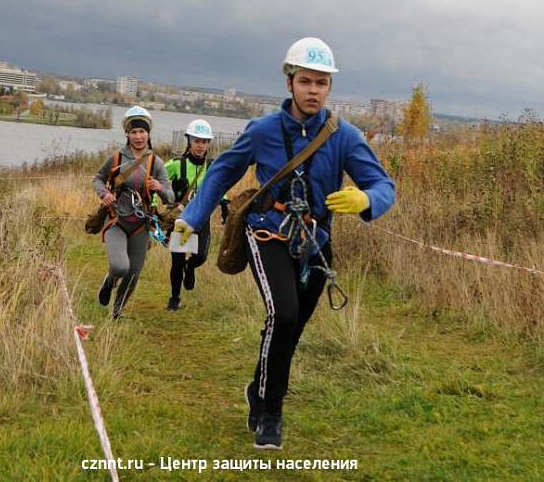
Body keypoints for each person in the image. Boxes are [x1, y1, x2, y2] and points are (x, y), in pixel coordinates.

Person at [174, 37, 396, 450]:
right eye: (306, 81)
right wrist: (192, 216)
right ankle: (270, 415)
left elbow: (384, 184)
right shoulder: (263, 131)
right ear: (289, 83)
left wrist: (367, 199)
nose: (314, 90)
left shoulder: (345, 136)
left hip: (316, 242)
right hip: (266, 231)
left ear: (330, 88)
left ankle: (259, 390)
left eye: (322, 83)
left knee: (289, 329)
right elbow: (222, 171)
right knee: (286, 314)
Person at [94, 106, 174, 319]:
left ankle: (117, 312)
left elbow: (171, 197)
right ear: (127, 134)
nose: (138, 136)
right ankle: (109, 280)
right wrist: (104, 194)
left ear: (148, 134)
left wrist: (160, 188)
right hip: (117, 221)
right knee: (120, 266)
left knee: (133, 275)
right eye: (133, 132)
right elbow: (98, 178)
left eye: (142, 131)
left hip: (141, 225)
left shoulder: (156, 163)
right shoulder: (117, 158)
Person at [163, 119, 229, 311]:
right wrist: (154, 205)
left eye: (204, 142)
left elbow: (220, 186)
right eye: (197, 141)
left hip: (202, 219)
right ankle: (174, 298)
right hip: (180, 220)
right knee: (177, 261)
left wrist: (225, 203)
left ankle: (190, 268)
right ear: (189, 141)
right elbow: (158, 181)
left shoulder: (212, 166)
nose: (200, 146)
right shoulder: (176, 164)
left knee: (200, 257)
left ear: (208, 143)